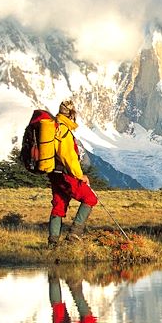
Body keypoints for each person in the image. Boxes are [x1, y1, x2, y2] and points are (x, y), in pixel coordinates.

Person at [47, 100, 98, 246]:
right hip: (65, 174)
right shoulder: (64, 131)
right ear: (72, 114)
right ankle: (74, 235)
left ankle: (53, 243)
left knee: (59, 204)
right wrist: (79, 175)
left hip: (54, 174)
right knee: (90, 198)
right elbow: (68, 156)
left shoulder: (54, 127)